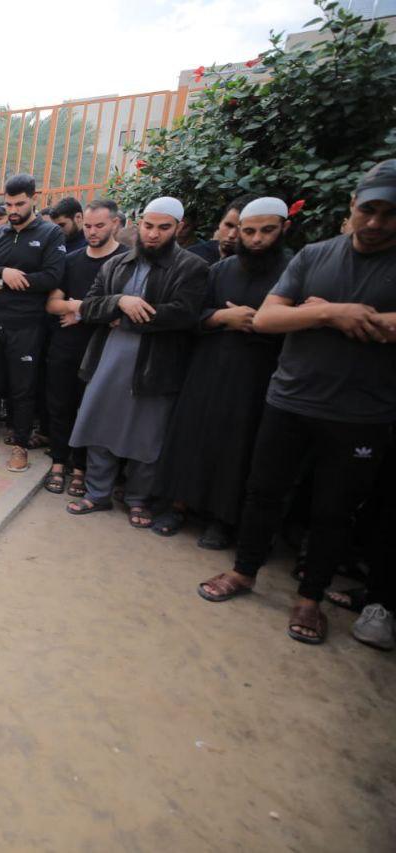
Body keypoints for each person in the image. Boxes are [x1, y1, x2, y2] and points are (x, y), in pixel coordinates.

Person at [198, 161, 396, 646]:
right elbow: (267, 319)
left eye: (389, 214)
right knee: (263, 492)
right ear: (353, 204)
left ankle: (310, 598)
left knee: (333, 509)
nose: (375, 222)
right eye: (369, 209)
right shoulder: (315, 255)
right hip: (290, 397)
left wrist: (311, 313)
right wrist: (333, 313)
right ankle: (244, 571)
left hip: (361, 412)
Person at [151, 198, 293, 546]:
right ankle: (177, 506)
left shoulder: (293, 272)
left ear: (284, 229)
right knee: (191, 437)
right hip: (207, 369)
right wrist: (221, 317)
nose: (256, 239)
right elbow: (190, 316)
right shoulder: (219, 270)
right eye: (249, 231)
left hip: (257, 376)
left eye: (267, 231)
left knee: (239, 447)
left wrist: (263, 322)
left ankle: (222, 520)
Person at [64, 197, 208, 527]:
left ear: (178, 228)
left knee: (147, 434)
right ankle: (98, 493)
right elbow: (89, 306)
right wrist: (121, 301)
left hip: (155, 366)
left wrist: (125, 318)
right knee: (100, 426)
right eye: (148, 226)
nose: (154, 234)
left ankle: (138, 499)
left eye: (163, 227)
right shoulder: (117, 264)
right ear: (138, 224)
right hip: (109, 359)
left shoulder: (192, 267)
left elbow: (183, 314)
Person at [0, 174, 66, 472]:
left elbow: (52, 277)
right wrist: (2, 272)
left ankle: (20, 445)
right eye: (8, 204)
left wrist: (5, 282)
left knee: (22, 388)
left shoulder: (50, 234)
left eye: (19, 204)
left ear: (34, 199)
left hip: (27, 325)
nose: (13, 210)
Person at [42, 199, 127, 497]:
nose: (92, 231)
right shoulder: (71, 260)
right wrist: (89, 309)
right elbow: (52, 304)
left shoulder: (126, 261)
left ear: (115, 223)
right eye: (88, 226)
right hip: (65, 346)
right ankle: (58, 462)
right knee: (60, 405)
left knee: (87, 409)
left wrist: (79, 311)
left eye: (99, 225)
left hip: (103, 349)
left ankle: (80, 468)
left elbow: (121, 312)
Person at [188, 195, 254, 265]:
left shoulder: (256, 264)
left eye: (240, 229)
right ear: (220, 223)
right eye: (229, 225)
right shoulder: (191, 257)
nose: (231, 235)